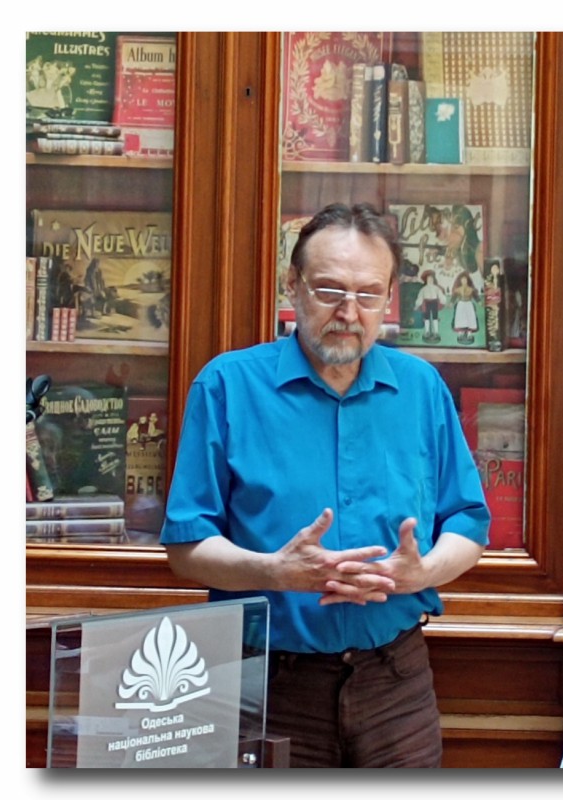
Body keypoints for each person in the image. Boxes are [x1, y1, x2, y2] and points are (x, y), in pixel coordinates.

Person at [160, 202, 490, 768]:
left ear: (390, 298)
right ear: (292, 286)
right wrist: (274, 572)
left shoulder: (422, 388)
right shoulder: (227, 386)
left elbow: (468, 521)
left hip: (396, 684)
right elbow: (186, 546)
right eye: (329, 290)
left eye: (368, 294)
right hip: (270, 685)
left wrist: (423, 572)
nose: (348, 311)